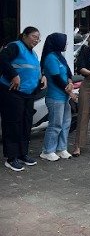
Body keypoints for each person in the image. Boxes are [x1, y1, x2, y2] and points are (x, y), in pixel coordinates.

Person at [0, 26, 46, 171]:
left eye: (38, 38)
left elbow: (35, 69)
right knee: (13, 124)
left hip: (28, 94)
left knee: (26, 124)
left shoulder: (33, 53)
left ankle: (22, 154)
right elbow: (2, 59)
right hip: (13, 92)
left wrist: (42, 76)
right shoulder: (15, 46)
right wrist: (13, 75)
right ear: (25, 35)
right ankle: (11, 158)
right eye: (34, 37)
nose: (36, 40)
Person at [40, 33, 77, 162]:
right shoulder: (51, 57)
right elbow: (56, 79)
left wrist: (70, 82)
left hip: (64, 97)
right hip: (55, 97)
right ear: (57, 42)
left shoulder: (60, 56)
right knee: (55, 124)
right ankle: (47, 151)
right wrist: (70, 92)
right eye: (64, 41)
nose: (66, 44)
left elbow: (69, 73)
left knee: (65, 124)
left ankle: (61, 148)